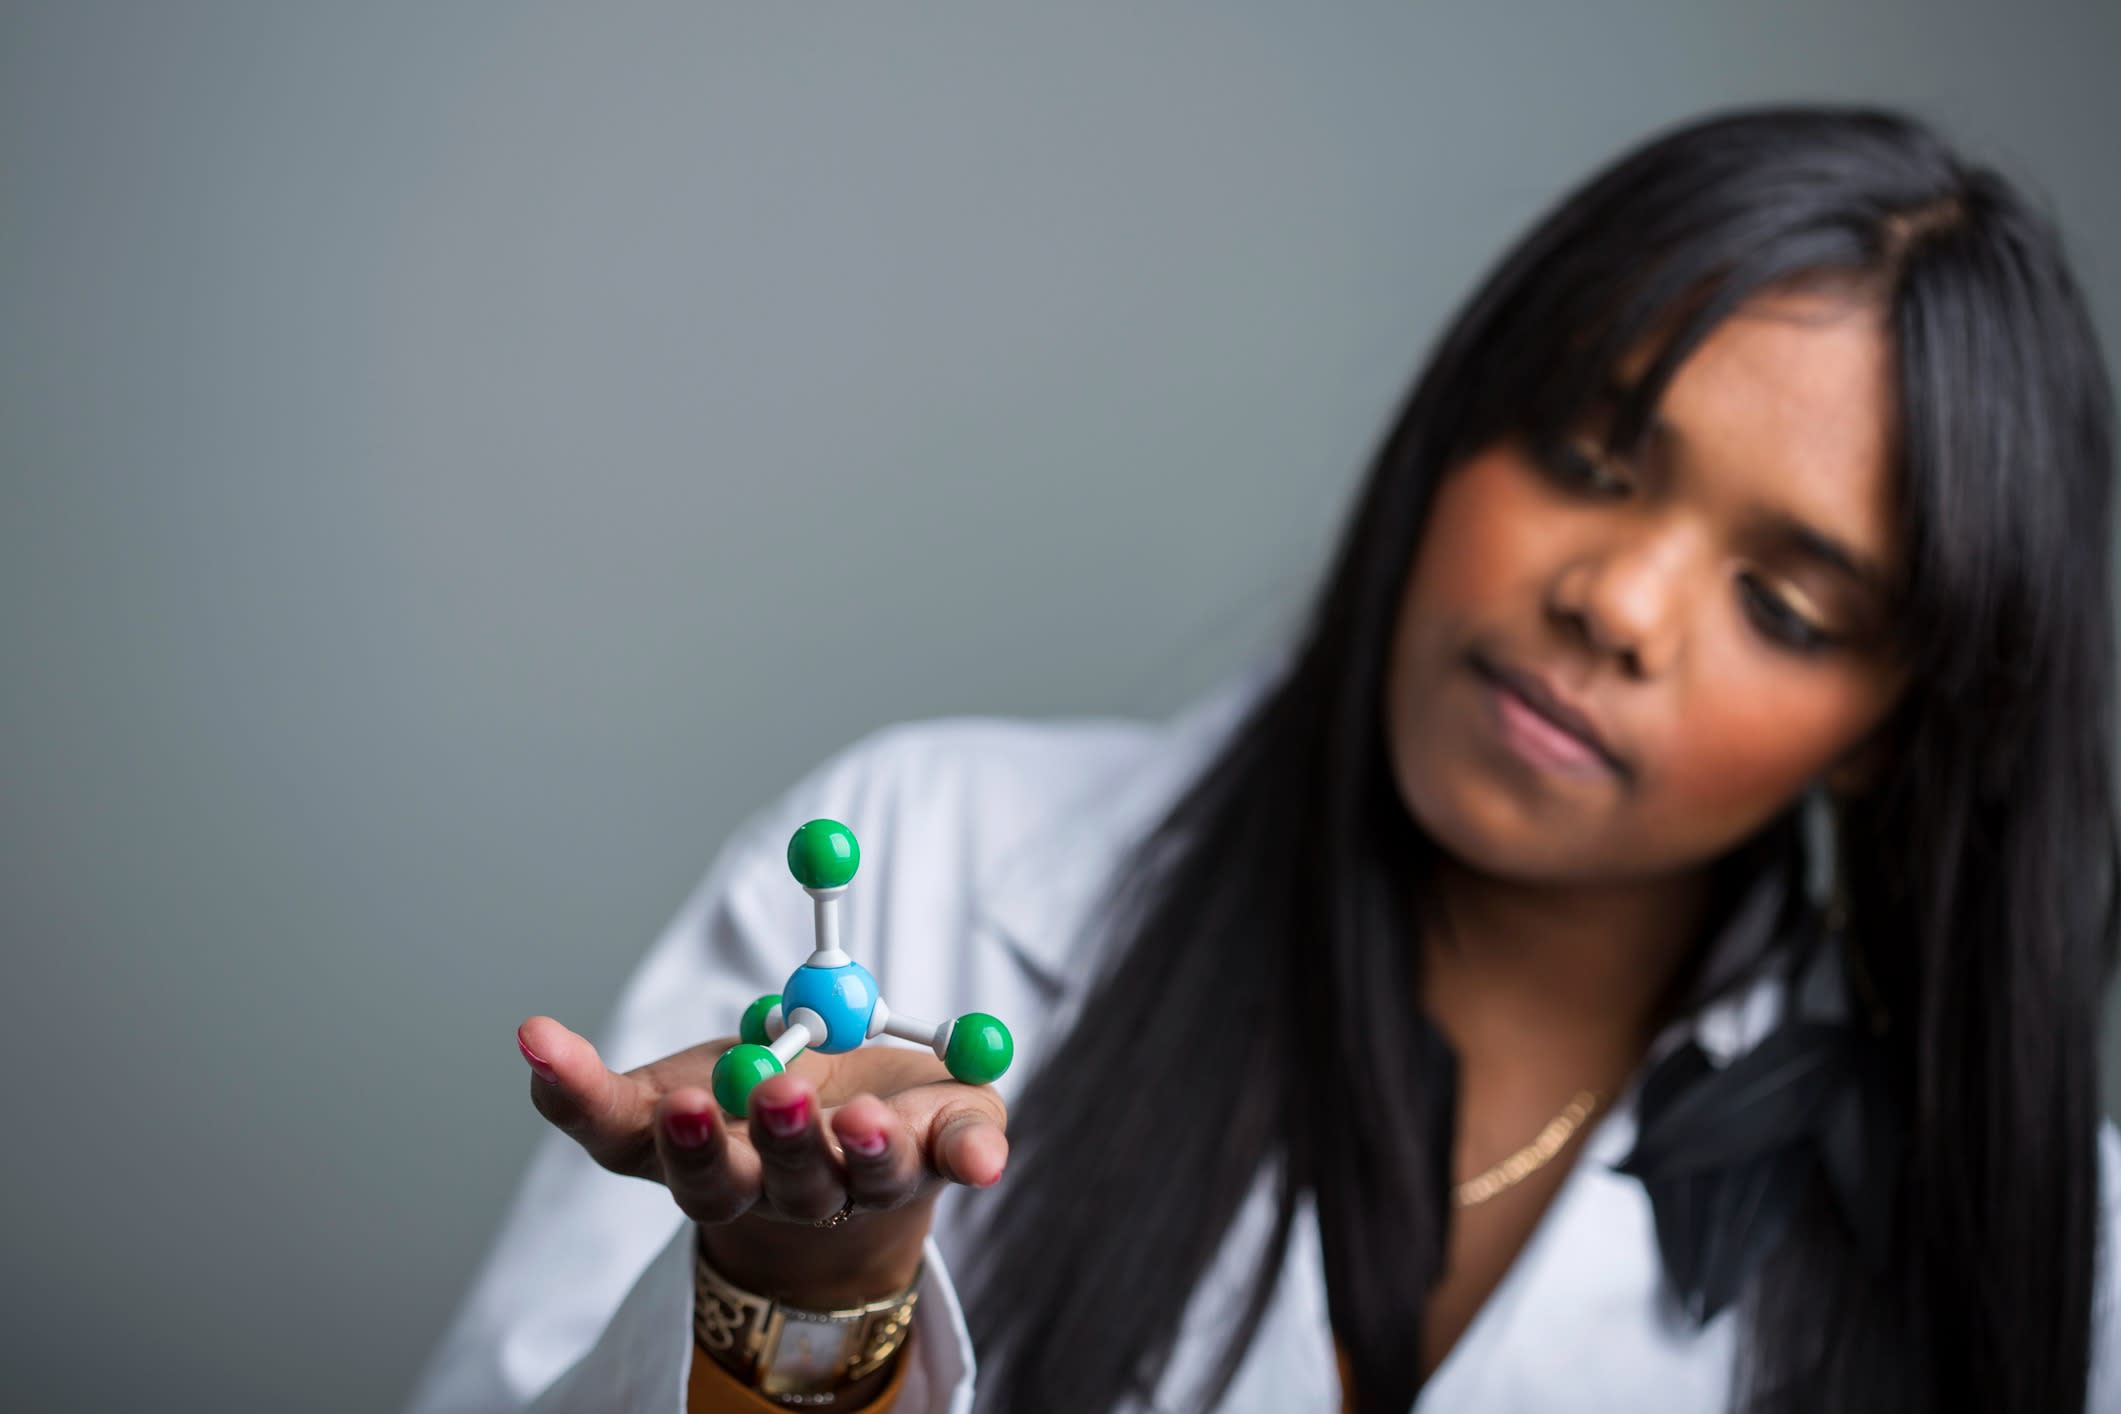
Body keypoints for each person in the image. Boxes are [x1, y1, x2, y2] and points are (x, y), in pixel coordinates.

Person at [405, 103, 2121, 1414]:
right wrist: (798, 1299)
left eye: (1782, 601)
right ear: (1455, 421)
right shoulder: (915, 857)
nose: (1617, 600)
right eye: (1586, 454)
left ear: (1891, 728)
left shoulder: (2047, 1244)